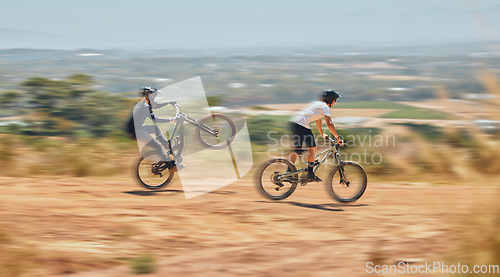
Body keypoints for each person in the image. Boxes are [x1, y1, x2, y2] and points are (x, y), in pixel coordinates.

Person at [289, 89, 344, 182]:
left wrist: (322, 134)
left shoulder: (317, 104)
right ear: (331, 100)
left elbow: (318, 119)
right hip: (302, 124)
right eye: (335, 100)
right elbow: (329, 123)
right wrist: (338, 138)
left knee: (297, 149)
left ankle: (289, 172)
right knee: (313, 148)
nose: (335, 102)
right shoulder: (325, 106)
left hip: (294, 123)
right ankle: (310, 173)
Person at [126, 87, 177, 164]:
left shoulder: (143, 102)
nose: (156, 96)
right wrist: (171, 119)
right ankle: (169, 164)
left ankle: (166, 145)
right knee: (158, 146)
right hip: (135, 132)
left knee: (154, 128)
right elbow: (155, 119)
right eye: (155, 94)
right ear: (150, 94)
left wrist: (169, 102)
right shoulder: (144, 106)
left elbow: (155, 106)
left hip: (135, 129)